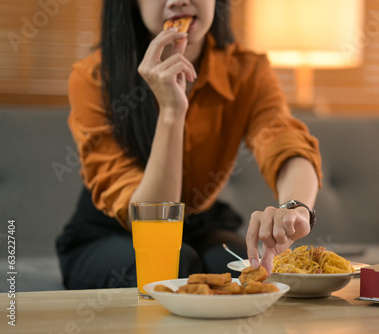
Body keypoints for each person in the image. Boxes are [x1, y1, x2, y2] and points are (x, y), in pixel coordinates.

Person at [56, 0, 322, 290]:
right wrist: (171, 111)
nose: (178, 1)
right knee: (174, 268)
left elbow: (285, 142)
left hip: (199, 224)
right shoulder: (94, 77)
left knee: (246, 272)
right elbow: (150, 219)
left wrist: (295, 209)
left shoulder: (247, 70)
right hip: (111, 231)